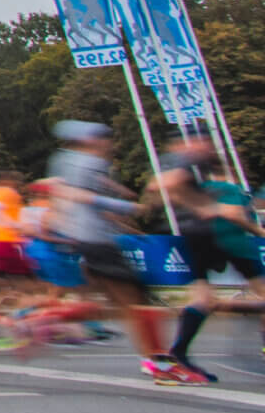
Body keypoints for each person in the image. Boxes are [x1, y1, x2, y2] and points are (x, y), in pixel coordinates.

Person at [44, 121, 193, 383]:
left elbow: (69, 197)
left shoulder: (65, 161)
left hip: (87, 238)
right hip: (97, 240)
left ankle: (39, 321)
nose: (109, 144)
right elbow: (81, 197)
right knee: (135, 302)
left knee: (117, 304)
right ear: (90, 140)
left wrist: (125, 220)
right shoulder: (89, 163)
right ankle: (158, 363)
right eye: (104, 139)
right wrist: (128, 208)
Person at [155, 133, 261, 381]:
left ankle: (177, 355)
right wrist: (259, 231)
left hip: (195, 237)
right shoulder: (228, 187)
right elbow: (234, 215)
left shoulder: (198, 180)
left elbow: (164, 189)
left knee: (203, 299)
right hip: (227, 240)